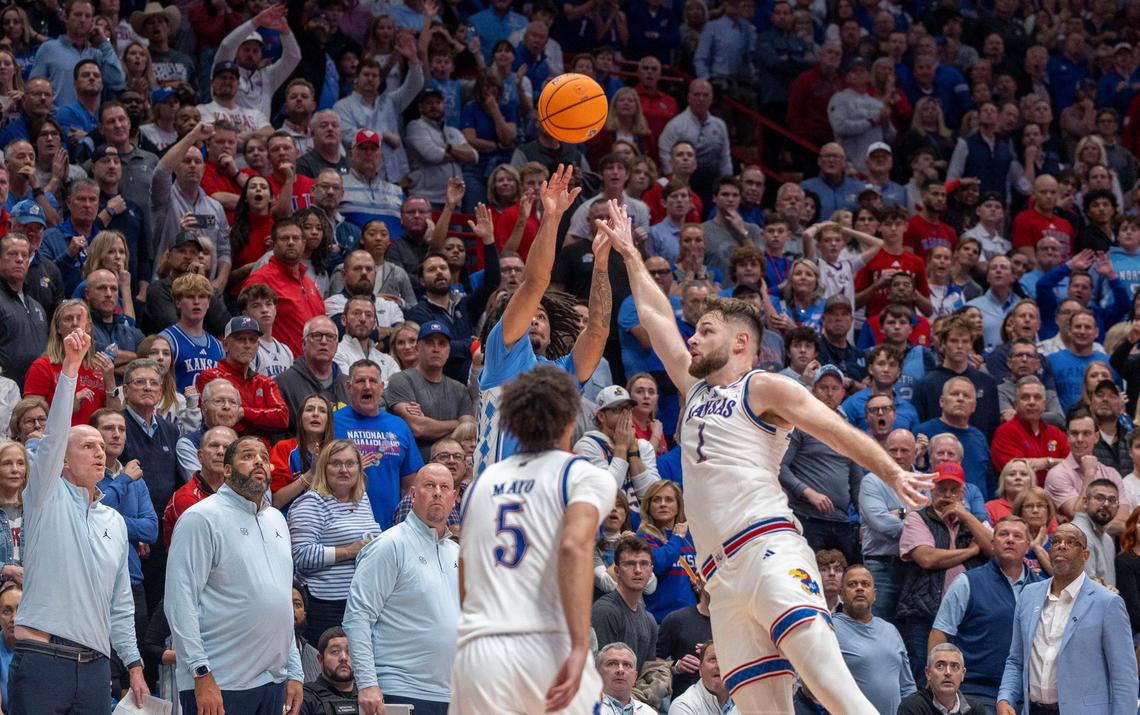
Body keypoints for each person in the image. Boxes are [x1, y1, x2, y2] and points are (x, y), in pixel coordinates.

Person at [603, 200, 929, 714]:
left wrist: (891, 469)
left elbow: (835, 428)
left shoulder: (762, 386)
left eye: (705, 330)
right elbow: (655, 315)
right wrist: (629, 252)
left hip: (767, 548)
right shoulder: (693, 389)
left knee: (831, 684)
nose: (692, 336)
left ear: (738, 341)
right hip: (720, 577)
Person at [451, 365, 616, 713]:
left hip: (478, 652)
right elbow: (574, 546)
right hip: (544, 641)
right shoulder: (581, 474)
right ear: (571, 418)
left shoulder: (480, 483)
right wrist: (577, 645)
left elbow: (465, 569)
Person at [8, 329, 147, 712]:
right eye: (88, 446)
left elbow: (120, 603)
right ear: (63, 460)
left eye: (103, 447)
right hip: (42, 657)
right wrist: (71, 366)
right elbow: (52, 437)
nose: (100, 452)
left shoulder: (115, 522)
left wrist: (133, 663)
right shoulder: (44, 495)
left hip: (96, 666)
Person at [473, 165, 609, 476]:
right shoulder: (502, 353)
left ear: (551, 331)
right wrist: (551, 218)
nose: (534, 320)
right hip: (495, 498)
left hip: (543, 500)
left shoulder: (561, 375)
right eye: (530, 314)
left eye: (541, 317)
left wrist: (601, 266)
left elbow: (598, 331)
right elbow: (534, 283)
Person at [164, 435, 303, 713]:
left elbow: (281, 604)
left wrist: (295, 672)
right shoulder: (201, 517)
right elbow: (180, 601)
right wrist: (200, 673)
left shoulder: (277, 519)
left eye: (264, 457)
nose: (259, 462)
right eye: (248, 456)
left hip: (272, 681)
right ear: (227, 470)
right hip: (219, 680)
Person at [342, 462, 457, 715]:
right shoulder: (389, 546)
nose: (438, 492)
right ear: (413, 495)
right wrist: (368, 684)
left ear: (454, 498)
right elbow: (357, 616)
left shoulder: (458, 553)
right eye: (429, 485)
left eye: (444, 487)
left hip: (453, 693)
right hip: (400, 690)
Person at [996, 523, 1137, 715]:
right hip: (1033, 709)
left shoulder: (1108, 602)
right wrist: (1005, 697)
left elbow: (1124, 676)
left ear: (1085, 555)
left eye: (1071, 542)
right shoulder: (1029, 595)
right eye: (1056, 542)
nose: (1061, 546)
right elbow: (1016, 659)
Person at [930, 516, 1045, 711]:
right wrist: (937, 684)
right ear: (992, 543)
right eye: (1003, 534)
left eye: (1017, 536)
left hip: (1028, 695)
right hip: (976, 693)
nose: (1010, 539)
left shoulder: (1042, 587)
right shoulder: (967, 582)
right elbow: (940, 633)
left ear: (1027, 546)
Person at [896, 463, 991, 686]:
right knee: (925, 677)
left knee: (962, 677)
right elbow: (927, 558)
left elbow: (996, 551)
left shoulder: (974, 521)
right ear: (931, 490)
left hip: (968, 616)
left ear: (962, 493)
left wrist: (967, 518)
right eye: (941, 489)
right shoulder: (917, 518)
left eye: (953, 490)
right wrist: (971, 551)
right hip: (925, 612)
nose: (947, 495)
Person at [288, 438, 379, 646]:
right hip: (325, 605)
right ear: (323, 467)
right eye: (336, 463)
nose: (343, 470)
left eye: (350, 463)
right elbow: (301, 555)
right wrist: (348, 551)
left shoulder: (362, 499)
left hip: (360, 600)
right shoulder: (310, 503)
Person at [91, 408, 159, 650]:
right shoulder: (87, 476)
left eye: (121, 429)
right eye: (109, 429)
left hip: (132, 581)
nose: (117, 435)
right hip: (95, 583)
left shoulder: (135, 477)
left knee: (135, 666)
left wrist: (114, 522)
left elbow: (151, 529)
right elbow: (90, 515)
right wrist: (123, 481)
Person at [332, 359, 423, 529]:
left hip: (390, 528)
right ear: (349, 387)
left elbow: (410, 485)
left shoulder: (400, 426)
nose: (367, 386)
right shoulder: (332, 422)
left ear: (382, 387)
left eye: (373, 381)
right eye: (360, 381)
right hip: (343, 528)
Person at [384, 320, 475, 460]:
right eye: (429, 343)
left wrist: (430, 425)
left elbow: (467, 434)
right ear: (417, 348)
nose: (436, 349)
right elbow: (418, 428)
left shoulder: (460, 389)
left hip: (451, 470)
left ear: (449, 350)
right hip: (414, 470)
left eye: (442, 344)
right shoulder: (401, 380)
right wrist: (457, 424)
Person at [832, 565, 916, 713]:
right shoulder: (830, 629)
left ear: (874, 594)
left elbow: (907, 686)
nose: (859, 588)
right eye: (852, 584)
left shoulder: (891, 630)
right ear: (841, 594)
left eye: (865, 584)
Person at [193, 315, 289, 441]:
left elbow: (282, 417)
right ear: (226, 345)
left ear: (258, 346)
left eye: (252, 340)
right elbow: (222, 420)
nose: (247, 345)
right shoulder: (210, 377)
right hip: (224, 447)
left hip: (262, 454)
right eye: (240, 339)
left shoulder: (265, 382)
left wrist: (243, 412)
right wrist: (263, 424)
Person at [243, 218, 326, 357]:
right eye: (285, 238)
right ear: (273, 244)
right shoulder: (261, 279)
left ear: (304, 243)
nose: (291, 242)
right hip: (280, 365)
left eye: (296, 238)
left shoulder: (308, 282)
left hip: (314, 366)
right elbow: (246, 324)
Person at [859, 428, 915, 619]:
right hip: (882, 567)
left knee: (912, 631)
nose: (898, 456)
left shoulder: (924, 483)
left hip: (917, 568)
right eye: (893, 450)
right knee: (877, 625)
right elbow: (883, 524)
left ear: (915, 452)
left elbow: (933, 520)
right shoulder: (871, 482)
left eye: (905, 450)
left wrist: (899, 513)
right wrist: (915, 520)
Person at [162, 425, 237, 546]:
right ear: (200, 456)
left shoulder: (241, 493)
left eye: (227, 447)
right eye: (214, 446)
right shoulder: (186, 498)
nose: (220, 452)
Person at [275, 316, 350, 429]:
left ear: (336, 345)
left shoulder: (349, 385)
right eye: (316, 336)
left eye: (330, 337)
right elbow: (278, 433)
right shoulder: (283, 383)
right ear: (304, 344)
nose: (324, 341)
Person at [898, 644, 988, 715]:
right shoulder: (912, 707)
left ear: (962, 674)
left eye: (954, 666)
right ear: (928, 673)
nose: (948, 672)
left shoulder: (975, 710)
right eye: (940, 666)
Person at [1070, 479, 1121, 586]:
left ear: (1118, 507)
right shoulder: (1078, 532)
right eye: (1099, 498)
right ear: (1085, 502)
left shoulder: (1107, 538)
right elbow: (1086, 585)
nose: (1106, 504)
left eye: (1112, 500)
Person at [668, 640, 739, 715]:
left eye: (725, 659)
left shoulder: (747, 701)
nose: (719, 666)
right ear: (700, 670)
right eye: (713, 659)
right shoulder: (683, 706)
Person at [299, 626, 358, 715]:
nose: (344, 658)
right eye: (335, 651)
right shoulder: (304, 697)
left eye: (350, 652)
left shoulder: (370, 696)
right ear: (321, 659)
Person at [597, 643, 658, 714]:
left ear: (635, 677)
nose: (620, 670)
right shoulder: (587, 708)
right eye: (612, 664)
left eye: (626, 665)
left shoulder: (649, 712)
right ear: (598, 674)